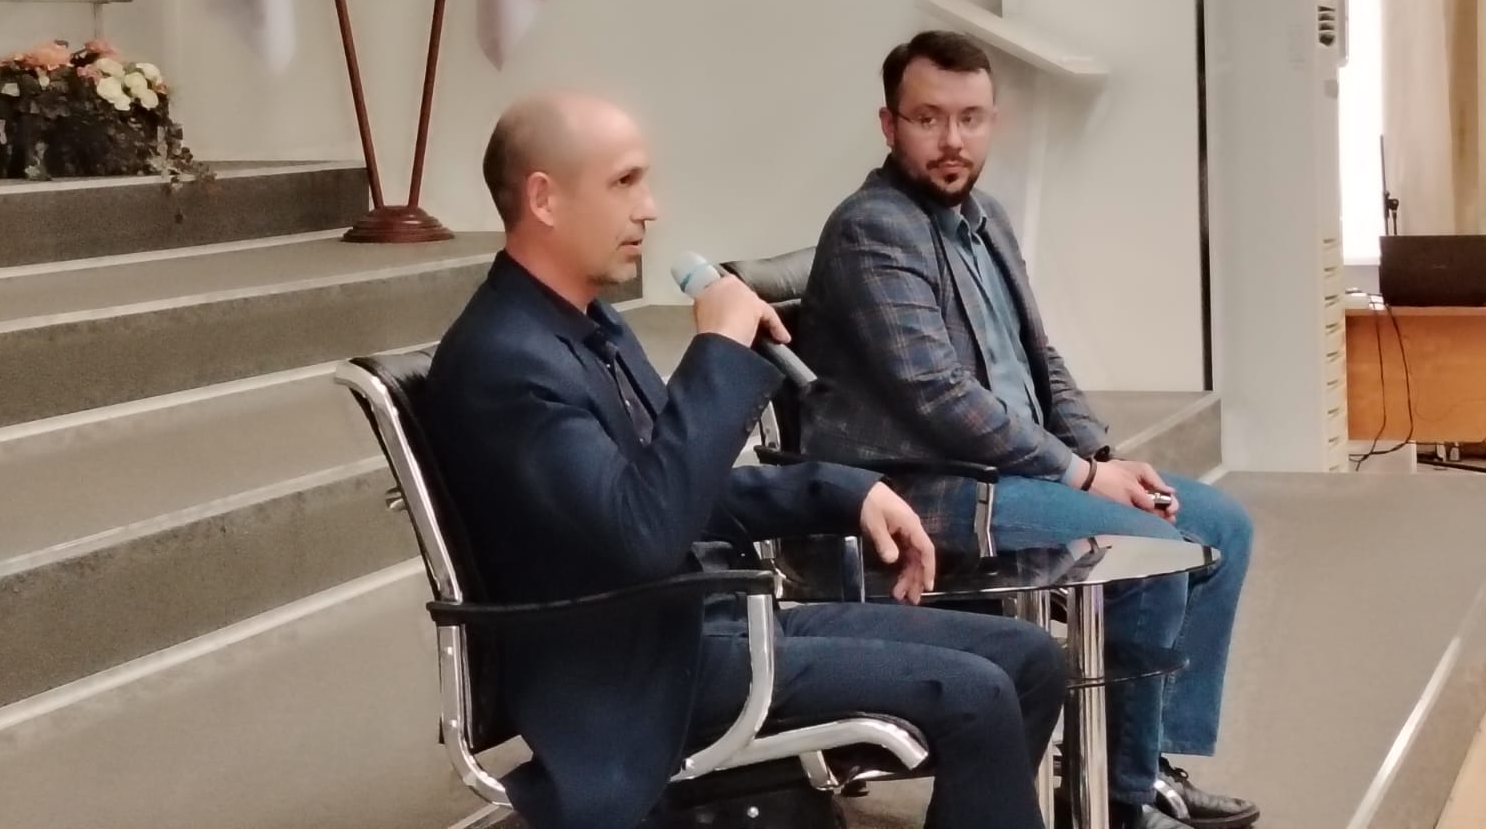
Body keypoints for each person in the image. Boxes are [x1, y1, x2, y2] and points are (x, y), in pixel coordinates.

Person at [423, 90, 1067, 829]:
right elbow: (646, 531)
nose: (650, 208)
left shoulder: (586, 324)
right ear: (544, 198)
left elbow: (682, 489)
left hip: (709, 623)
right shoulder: (505, 361)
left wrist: (847, 491)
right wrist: (719, 350)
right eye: (625, 182)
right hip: (638, 672)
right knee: (978, 694)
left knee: (1030, 659)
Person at [796, 32, 1258, 829]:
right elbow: (938, 397)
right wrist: (1083, 479)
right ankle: (1118, 798)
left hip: (1012, 473)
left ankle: (1147, 762)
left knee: (1221, 525)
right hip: (926, 490)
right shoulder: (872, 228)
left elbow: (1039, 357)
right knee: (1149, 550)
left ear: (992, 122)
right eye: (929, 119)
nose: (952, 140)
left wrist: (1103, 457)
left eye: (970, 118)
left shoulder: (986, 219)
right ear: (889, 125)